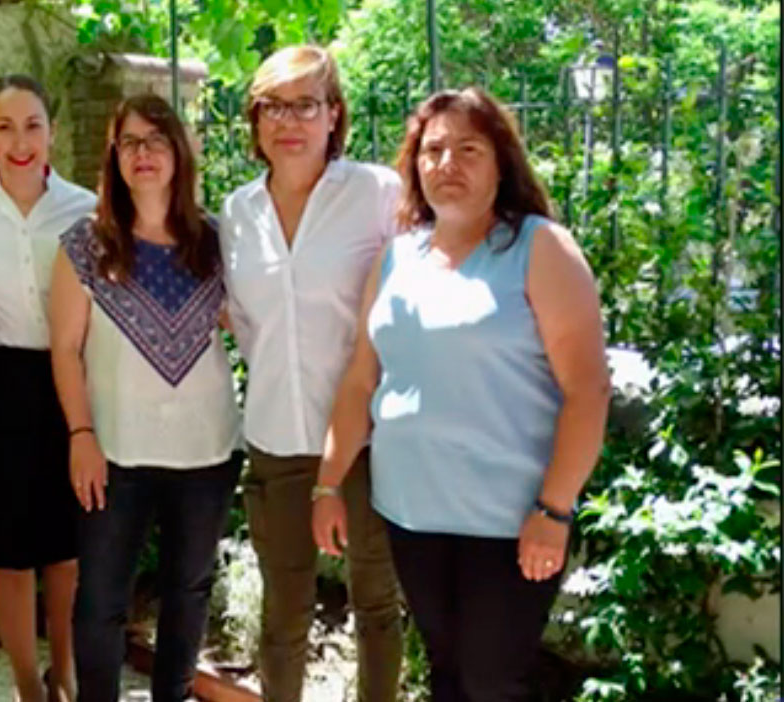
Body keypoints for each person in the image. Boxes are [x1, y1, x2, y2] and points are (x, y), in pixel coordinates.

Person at [312, 87, 610, 702]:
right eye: (433, 150)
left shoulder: (540, 249)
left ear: (501, 164)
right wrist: (327, 484)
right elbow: (362, 379)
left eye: (469, 149)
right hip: (411, 514)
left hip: (509, 523)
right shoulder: (396, 259)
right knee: (446, 671)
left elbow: (588, 390)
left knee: (491, 680)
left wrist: (555, 510)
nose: (447, 164)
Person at [218, 45, 403, 702]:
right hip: (275, 439)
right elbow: (240, 321)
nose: (287, 121)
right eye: (272, 106)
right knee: (283, 612)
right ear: (254, 120)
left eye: (305, 105)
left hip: (365, 439)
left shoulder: (377, 194)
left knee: (375, 603)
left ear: (334, 115)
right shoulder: (237, 213)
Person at [49, 94, 241, 702]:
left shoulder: (215, 242)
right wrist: (81, 435)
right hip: (115, 453)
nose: (143, 154)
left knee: (189, 591)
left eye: (156, 140)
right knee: (101, 600)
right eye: (129, 142)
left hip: (207, 449)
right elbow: (65, 350)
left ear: (179, 153)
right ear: (114, 157)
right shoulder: (84, 245)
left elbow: (252, 325)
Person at [0, 74, 95, 702]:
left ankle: (67, 671)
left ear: (52, 132)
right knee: (6, 551)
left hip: (69, 385)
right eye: (4, 128)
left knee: (67, 545)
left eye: (33, 125)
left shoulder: (87, 209)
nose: (20, 141)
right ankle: (27, 685)